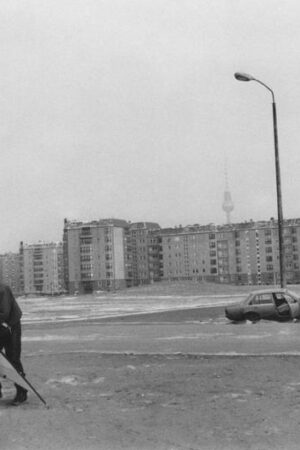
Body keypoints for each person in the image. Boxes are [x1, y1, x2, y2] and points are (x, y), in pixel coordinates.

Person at [0, 283, 27, 405]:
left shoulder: (3, 289)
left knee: (13, 358)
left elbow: (5, 312)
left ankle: (22, 392)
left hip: (12, 326)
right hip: (1, 326)